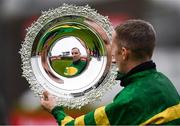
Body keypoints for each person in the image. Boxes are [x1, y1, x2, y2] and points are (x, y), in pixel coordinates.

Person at [40, 19, 180, 125]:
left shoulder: (130, 99)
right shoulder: (163, 81)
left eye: (112, 46)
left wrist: (55, 109)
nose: (110, 54)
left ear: (124, 53)